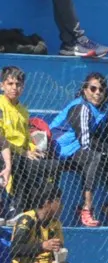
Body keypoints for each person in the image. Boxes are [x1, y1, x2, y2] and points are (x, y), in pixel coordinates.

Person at [48, 72, 108, 228]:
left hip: (77, 152)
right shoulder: (81, 107)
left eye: (101, 89)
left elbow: (106, 141)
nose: (97, 93)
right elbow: (85, 143)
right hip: (59, 152)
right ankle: (86, 208)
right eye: (93, 89)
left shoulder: (104, 114)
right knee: (93, 156)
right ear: (85, 90)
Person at [1, 66, 62, 214]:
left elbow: (27, 137)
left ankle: (39, 204)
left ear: (23, 87)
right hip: (5, 152)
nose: (14, 88)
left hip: (22, 153)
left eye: (18, 84)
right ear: (2, 85)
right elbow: (2, 139)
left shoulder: (23, 110)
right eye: (10, 84)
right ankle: (17, 207)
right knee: (21, 163)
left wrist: (34, 149)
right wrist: (23, 152)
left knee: (54, 166)